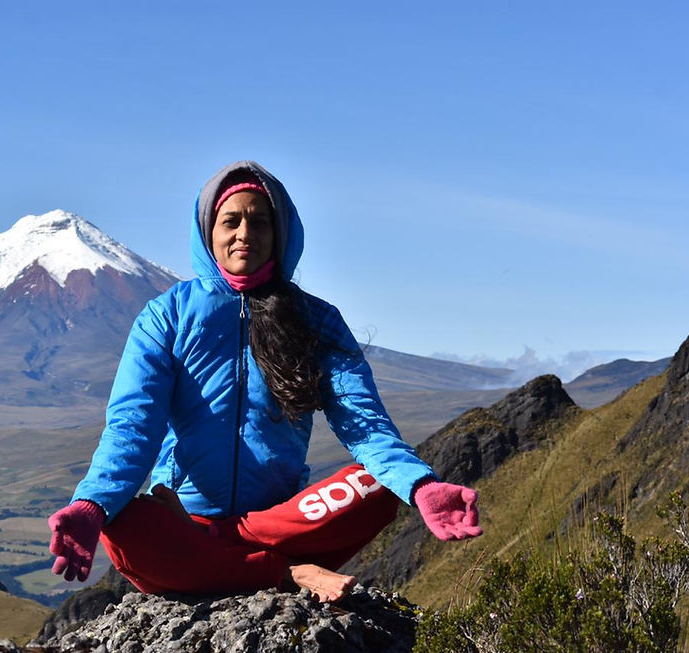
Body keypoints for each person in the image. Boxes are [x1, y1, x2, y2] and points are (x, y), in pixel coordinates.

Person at [47, 161, 482, 602]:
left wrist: (420, 485)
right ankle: (287, 574)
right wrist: (92, 502)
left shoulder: (315, 320)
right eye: (230, 221)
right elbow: (133, 427)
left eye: (260, 222)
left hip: (277, 521)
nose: (244, 234)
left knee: (377, 488)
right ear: (208, 232)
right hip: (184, 517)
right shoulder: (167, 317)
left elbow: (363, 424)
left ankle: (229, 561)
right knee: (120, 523)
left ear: (280, 235)